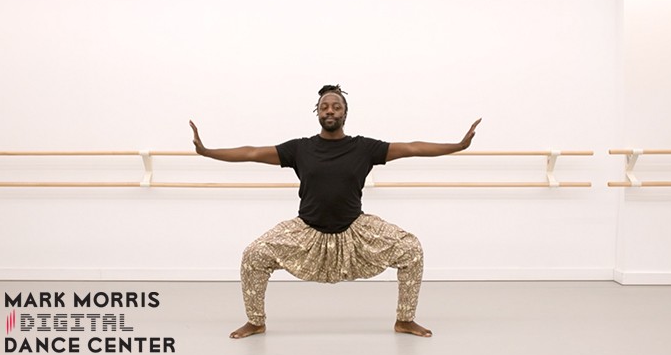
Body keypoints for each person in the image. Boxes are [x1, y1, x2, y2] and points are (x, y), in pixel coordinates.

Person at [189, 85, 481, 339]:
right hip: (306, 232)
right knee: (254, 255)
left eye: (336, 106)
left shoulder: (364, 148)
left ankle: (404, 320)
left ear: (345, 113)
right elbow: (252, 152)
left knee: (411, 249)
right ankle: (255, 322)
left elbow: (412, 148)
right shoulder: (299, 149)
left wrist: (458, 145)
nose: (330, 110)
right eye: (324, 106)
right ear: (317, 112)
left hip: (355, 231)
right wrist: (207, 151)